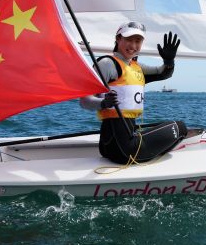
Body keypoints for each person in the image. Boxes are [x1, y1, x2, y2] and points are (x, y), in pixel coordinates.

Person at [80, 21, 188, 164]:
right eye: (129, 40)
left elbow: (163, 73)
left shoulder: (136, 67)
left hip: (112, 145)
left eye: (138, 41)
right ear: (118, 39)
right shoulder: (107, 64)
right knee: (180, 127)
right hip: (125, 150)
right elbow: (84, 101)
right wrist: (103, 103)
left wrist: (169, 61)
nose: (133, 46)